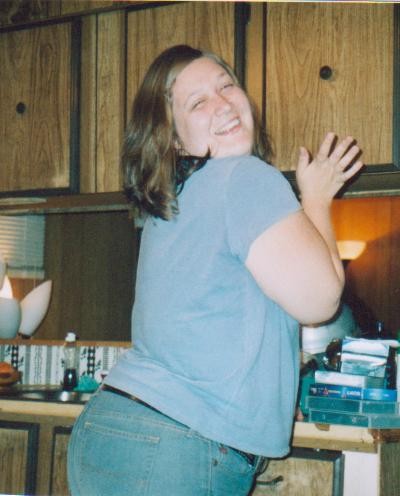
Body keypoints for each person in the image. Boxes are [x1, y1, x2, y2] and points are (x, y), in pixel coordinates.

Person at [67, 45, 363, 496]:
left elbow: (214, 326)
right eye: (198, 102)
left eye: (227, 85)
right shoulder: (245, 177)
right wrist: (317, 198)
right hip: (174, 446)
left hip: (111, 431)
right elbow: (319, 300)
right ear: (174, 138)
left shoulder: (174, 202)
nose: (223, 103)